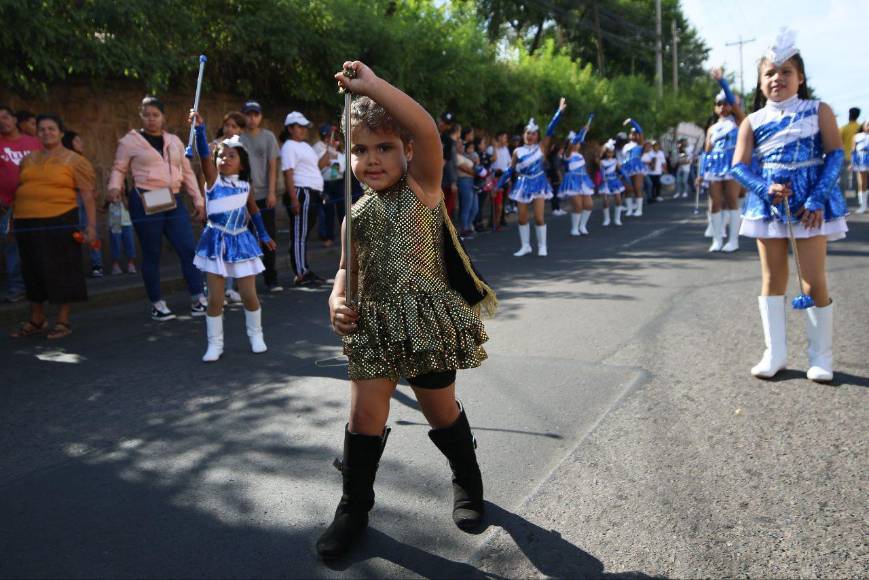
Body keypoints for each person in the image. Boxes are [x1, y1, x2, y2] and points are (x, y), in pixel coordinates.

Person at [319, 60, 496, 561]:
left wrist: (372, 86)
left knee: (440, 412)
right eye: (360, 149)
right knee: (363, 416)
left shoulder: (423, 188)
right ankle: (354, 506)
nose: (371, 160)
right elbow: (345, 270)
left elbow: (423, 125)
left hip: (425, 324)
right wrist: (335, 299)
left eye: (384, 147)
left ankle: (466, 476)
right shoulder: (354, 213)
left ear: (408, 152)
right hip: (372, 324)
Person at [731, 29, 846, 383]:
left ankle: (820, 357)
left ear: (800, 78)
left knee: (812, 280)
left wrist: (816, 198)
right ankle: (775, 353)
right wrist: (764, 188)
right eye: (770, 73)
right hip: (769, 206)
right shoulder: (752, 121)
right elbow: (739, 166)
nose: (777, 78)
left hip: (812, 206)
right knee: (773, 278)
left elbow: (836, 154)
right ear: (760, 81)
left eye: (785, 72)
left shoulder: (818, 110)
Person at [107, 96, 207, 321]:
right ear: (140, 116)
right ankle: (157, 303)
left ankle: (197, 296)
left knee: (187, 247)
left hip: (172, 199)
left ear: (163, 117)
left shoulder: (174, 141)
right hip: (145, 198)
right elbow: (119, 168)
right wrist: (114, 187)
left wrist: (199, 200)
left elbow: (187, 172)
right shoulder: (129, 141)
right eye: (146, 115)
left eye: (155, 115)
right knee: (152, 252)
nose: (151, 119)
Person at [189, 112, 277, 362]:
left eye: (231, 156)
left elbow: (254, 211)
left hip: (241, 241)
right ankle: (214, 344)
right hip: (215, 242)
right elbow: (204, 155)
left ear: (242, 163)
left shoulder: (245, 187)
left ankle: (256, 335)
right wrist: (199, 130)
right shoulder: (213, 183)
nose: (225, 159)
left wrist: (263, 234)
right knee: (215, 299)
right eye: (222, 156)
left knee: (249, 295)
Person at [9, 114, 97, 339]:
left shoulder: (75, 160)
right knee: (32, 271)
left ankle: (63, 320)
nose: (46, 133)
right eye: (41, 129)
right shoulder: (28, 159)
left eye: (51, 129)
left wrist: (92, 227)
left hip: (60, 220)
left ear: (61, 133)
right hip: (27, 223)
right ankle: (37, 318)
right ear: (36, 133)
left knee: (62, 271)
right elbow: (21, 188)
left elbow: (87, 196)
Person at [507, 98, 567, 257]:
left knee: (539, 217)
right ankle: (525, 245)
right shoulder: (517, 151)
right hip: (522, 184)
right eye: (527, 133)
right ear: (524, 134)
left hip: (539, 183)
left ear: (537, 135)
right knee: (521, 217)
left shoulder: (541, 147)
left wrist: (558, 113)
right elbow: (510, 170)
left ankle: (542, 246)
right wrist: (500, 181)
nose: (530, 135)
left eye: (533, 133)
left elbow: (550, 130)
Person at [280, 111, 328, 286]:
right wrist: (294, 199)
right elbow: (288, 173)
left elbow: (317, 167)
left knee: (304, 234)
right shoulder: (289, 146)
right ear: (290, 128)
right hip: (302, 192)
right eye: (299, 127)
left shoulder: (306, 146)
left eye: (304, 127)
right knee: (299, 235)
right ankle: (300, 273)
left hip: (313, 192)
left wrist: (328, 148)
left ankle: (304, 269)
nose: (303, 130)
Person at [240, 101, 283, 293]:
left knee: (269, 237)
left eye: (255, 114)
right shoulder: (238, 138)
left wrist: (272, 192)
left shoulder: (268, 137)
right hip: (244, 196)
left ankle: (271, 277)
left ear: (260, 116)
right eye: (248, 114)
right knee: (247, 239)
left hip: (265, 195)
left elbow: (273, 166)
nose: (252, 118)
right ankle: (248, 283)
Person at [0, 104, 41, 303]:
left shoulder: (34, 143)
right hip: (7, 206)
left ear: (15, 119)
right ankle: (17, 288)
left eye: (6, 117)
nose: (2, 121)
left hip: (36, 203)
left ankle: (40, 285)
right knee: (12, 246)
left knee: (39, 243)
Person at [704, 69, 746, 253]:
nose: (723, 106)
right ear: (715, 107)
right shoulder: (712, 128)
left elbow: (730, 96)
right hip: (714, 166)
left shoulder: (738, 120)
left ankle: (733, 240)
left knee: (731, 200)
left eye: (726, 103)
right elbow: (706, 152)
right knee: (715, 203)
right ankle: (716, 239)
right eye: (719, 104)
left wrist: (721, 81)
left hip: (731, 163)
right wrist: (700, 174)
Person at [62, 130, 104, 278]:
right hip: (73, 197)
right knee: (74, 232)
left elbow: (90, 180)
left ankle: (97, 265)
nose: (82, 143)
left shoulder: (83, 160)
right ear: (70, 143)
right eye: (77, 141)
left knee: (92, 231)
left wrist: (94, 191)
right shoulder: (65, 160)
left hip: (86, 197)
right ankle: (74, 266)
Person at [558, 122, 595, 236]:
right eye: (575, 143)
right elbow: (572, 143)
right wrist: (582, 131)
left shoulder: (580, 155)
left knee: (589, 205)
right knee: (578, 206)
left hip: (583, 180)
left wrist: (584, 132)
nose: (577, 145)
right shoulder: (567, 154)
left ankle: (582, 225)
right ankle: (574, 228)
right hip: (572, 181)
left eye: (578, 143)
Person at [313, 123, 344, 248]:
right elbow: (320, 163)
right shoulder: (317, 147)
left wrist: (335, 158)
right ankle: (329, 236)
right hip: (324, 182)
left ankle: (346, 236)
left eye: (332, 135)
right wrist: (329, 154)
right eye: (327, 135)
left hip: (338, 180)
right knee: (328, 211)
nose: (330, 138)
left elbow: (341, 161)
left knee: (343, 210)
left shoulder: (338, 146)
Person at [620, 119, 645, 217]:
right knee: (627, 189)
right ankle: (629, 209)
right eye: (632, 133)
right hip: (626, 167)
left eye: (636, 134)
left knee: (637, 187)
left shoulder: (640, 144)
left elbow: (641, 131)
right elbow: (623, 157)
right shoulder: (626, 145)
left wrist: (631, 121)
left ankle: (639, 209)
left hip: (636, 166)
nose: (634, 135)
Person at [598, 140, 625, 226]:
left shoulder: (615, 161)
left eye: (611, 153)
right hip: (605, 182)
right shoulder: (601, 162)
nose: (609, 154)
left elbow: (620, 170)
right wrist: (604, 147)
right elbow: (598, 158)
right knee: (605, 201)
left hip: (614, 181)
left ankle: (617, 219)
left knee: (618, 199)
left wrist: (624, 175)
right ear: (605, 153)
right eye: (608, 153)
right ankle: (607, 219)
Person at [839, 107, 860, 197]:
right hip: (859, 157)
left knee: (845, 177)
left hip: (846, 156)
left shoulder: (844, 128)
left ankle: (845, 199)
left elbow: (839, 143)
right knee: (858, 178)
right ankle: (858, 198)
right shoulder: (860, 127)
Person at [851, 122, 869, 213]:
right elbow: (853, 150)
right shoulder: (857, 136)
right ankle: (863, 205)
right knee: (862, 183)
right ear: (863, 126)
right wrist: (852, 163)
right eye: (868, 124)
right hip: (861, 159)